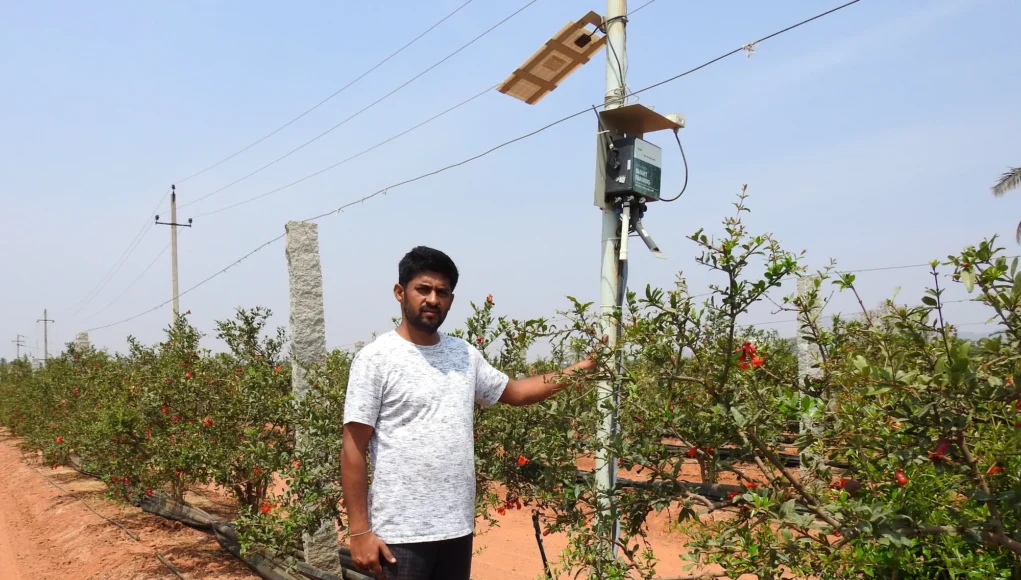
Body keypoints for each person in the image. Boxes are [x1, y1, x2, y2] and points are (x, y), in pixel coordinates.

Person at [341, 246, 594, 580]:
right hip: (400, 535)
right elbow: (353, 447)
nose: (433, 299)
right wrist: (359, 532)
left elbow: (516, 392)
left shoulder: (464, 355)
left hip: (456, 529)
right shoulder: (376, 359)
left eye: (442, 292)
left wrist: (586, 367)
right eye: (423, 289)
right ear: (400, 292)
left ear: (451, 299)